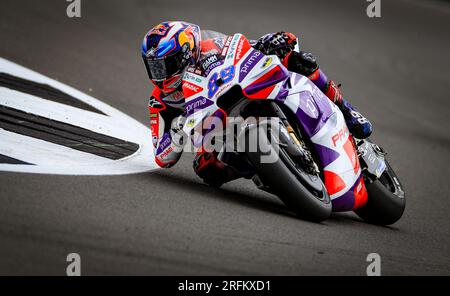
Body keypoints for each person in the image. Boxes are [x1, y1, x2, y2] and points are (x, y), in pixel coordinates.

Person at [141, 21, 373, 186]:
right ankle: (272, 174)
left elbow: (244, 48)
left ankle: (347, 110)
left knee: (298, 60)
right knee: (208, 169)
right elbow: (163, 157)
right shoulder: (160, 100)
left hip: (244, 90)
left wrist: (273, 41)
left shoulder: (211, 48)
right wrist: (177, 132)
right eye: (154, 67)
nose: (159, 75)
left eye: (165, 65)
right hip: (214, 131)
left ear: (185, 53)